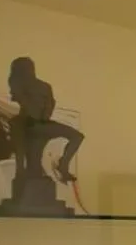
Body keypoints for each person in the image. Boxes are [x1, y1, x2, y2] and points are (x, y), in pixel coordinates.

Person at [7, 56, 83, 184]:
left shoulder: (44, 86)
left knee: (77, 136)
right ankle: (25, 174)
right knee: (33, 161)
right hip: (28, 122)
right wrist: (37, 116)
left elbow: (50, 103)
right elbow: (22, 100)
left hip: (41, 123)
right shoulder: (17, 83)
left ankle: (63, 166)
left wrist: (44, 118)